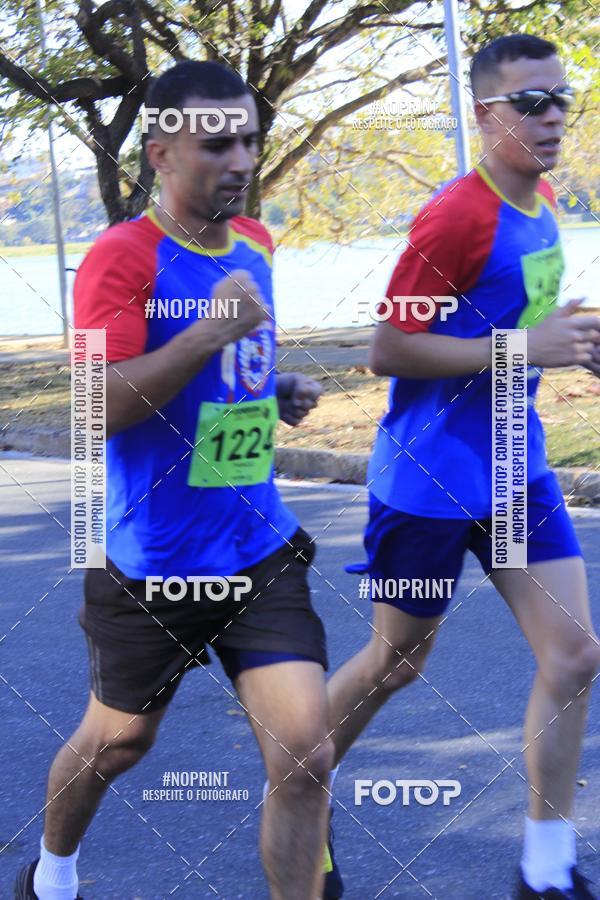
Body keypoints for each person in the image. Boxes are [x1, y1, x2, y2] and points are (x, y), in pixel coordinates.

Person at [14, 60, 335, 900]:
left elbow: (238, 368)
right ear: (159, 151)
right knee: (121, 742)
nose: (240, 159)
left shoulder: (257, 242)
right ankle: (51, 875)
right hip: (153, 561)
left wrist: (275, 390)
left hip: (256, 547)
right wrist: (204, 336)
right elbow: (93, 406)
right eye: (217, 142)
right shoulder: (121, 259)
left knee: (306, 752)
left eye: (251, 141)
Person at [325, 34, 600, 898]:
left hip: (516, 470)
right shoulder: (455, 214)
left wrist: (575, 338)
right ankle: (298, 774)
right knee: (398, 663)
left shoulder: (543, 201)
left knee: (574, 656)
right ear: (486, 115)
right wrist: (527, 345)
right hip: (431, 481)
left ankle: (545, 865)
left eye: (562, 95)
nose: (551, 114)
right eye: (529, 101)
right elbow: (390, 348)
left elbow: (520, 319)